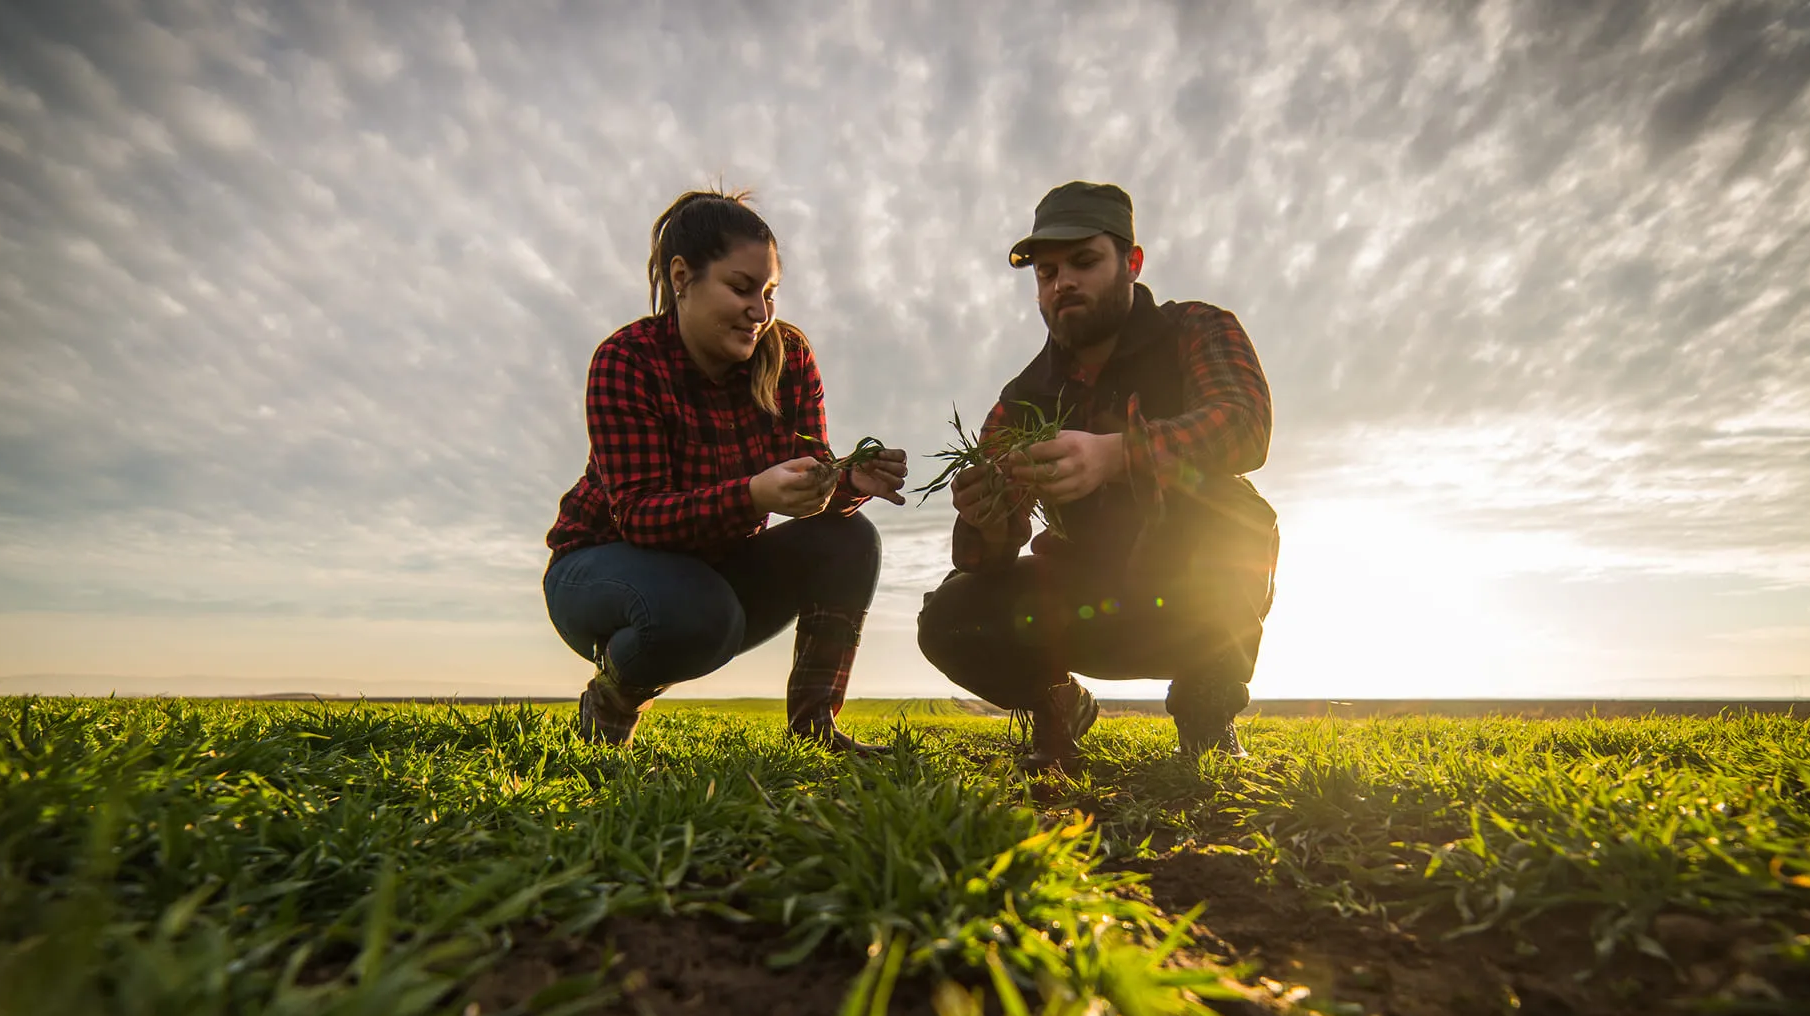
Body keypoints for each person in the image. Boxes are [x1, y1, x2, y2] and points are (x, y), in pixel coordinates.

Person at [916, 181, 1278, 772]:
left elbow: (1245, 423)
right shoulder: (1023, 396)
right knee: (949, 616)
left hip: (1193, 598)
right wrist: (985, 514)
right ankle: (1057, 705)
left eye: (1084, 262)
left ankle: (1207, 718)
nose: (1062, 283)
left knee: (1236, 515)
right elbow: (991, 553)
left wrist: (1119, 454)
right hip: (1081, 601)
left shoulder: (1196, 329)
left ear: (1132, 262)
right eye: (1047, 272)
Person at [543, 190, 908, 752]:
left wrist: (846, 482)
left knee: (850, 539)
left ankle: (815, 730)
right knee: (697, 612)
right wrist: (754, 496)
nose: (760, 312)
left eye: (769, 293)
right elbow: (639, 516)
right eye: (741, 288)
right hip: (600, 569)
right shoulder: (628, 359)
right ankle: (614, 697)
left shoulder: (789, 357)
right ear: (682, 278)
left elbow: (809, 479)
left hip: (713, 574)